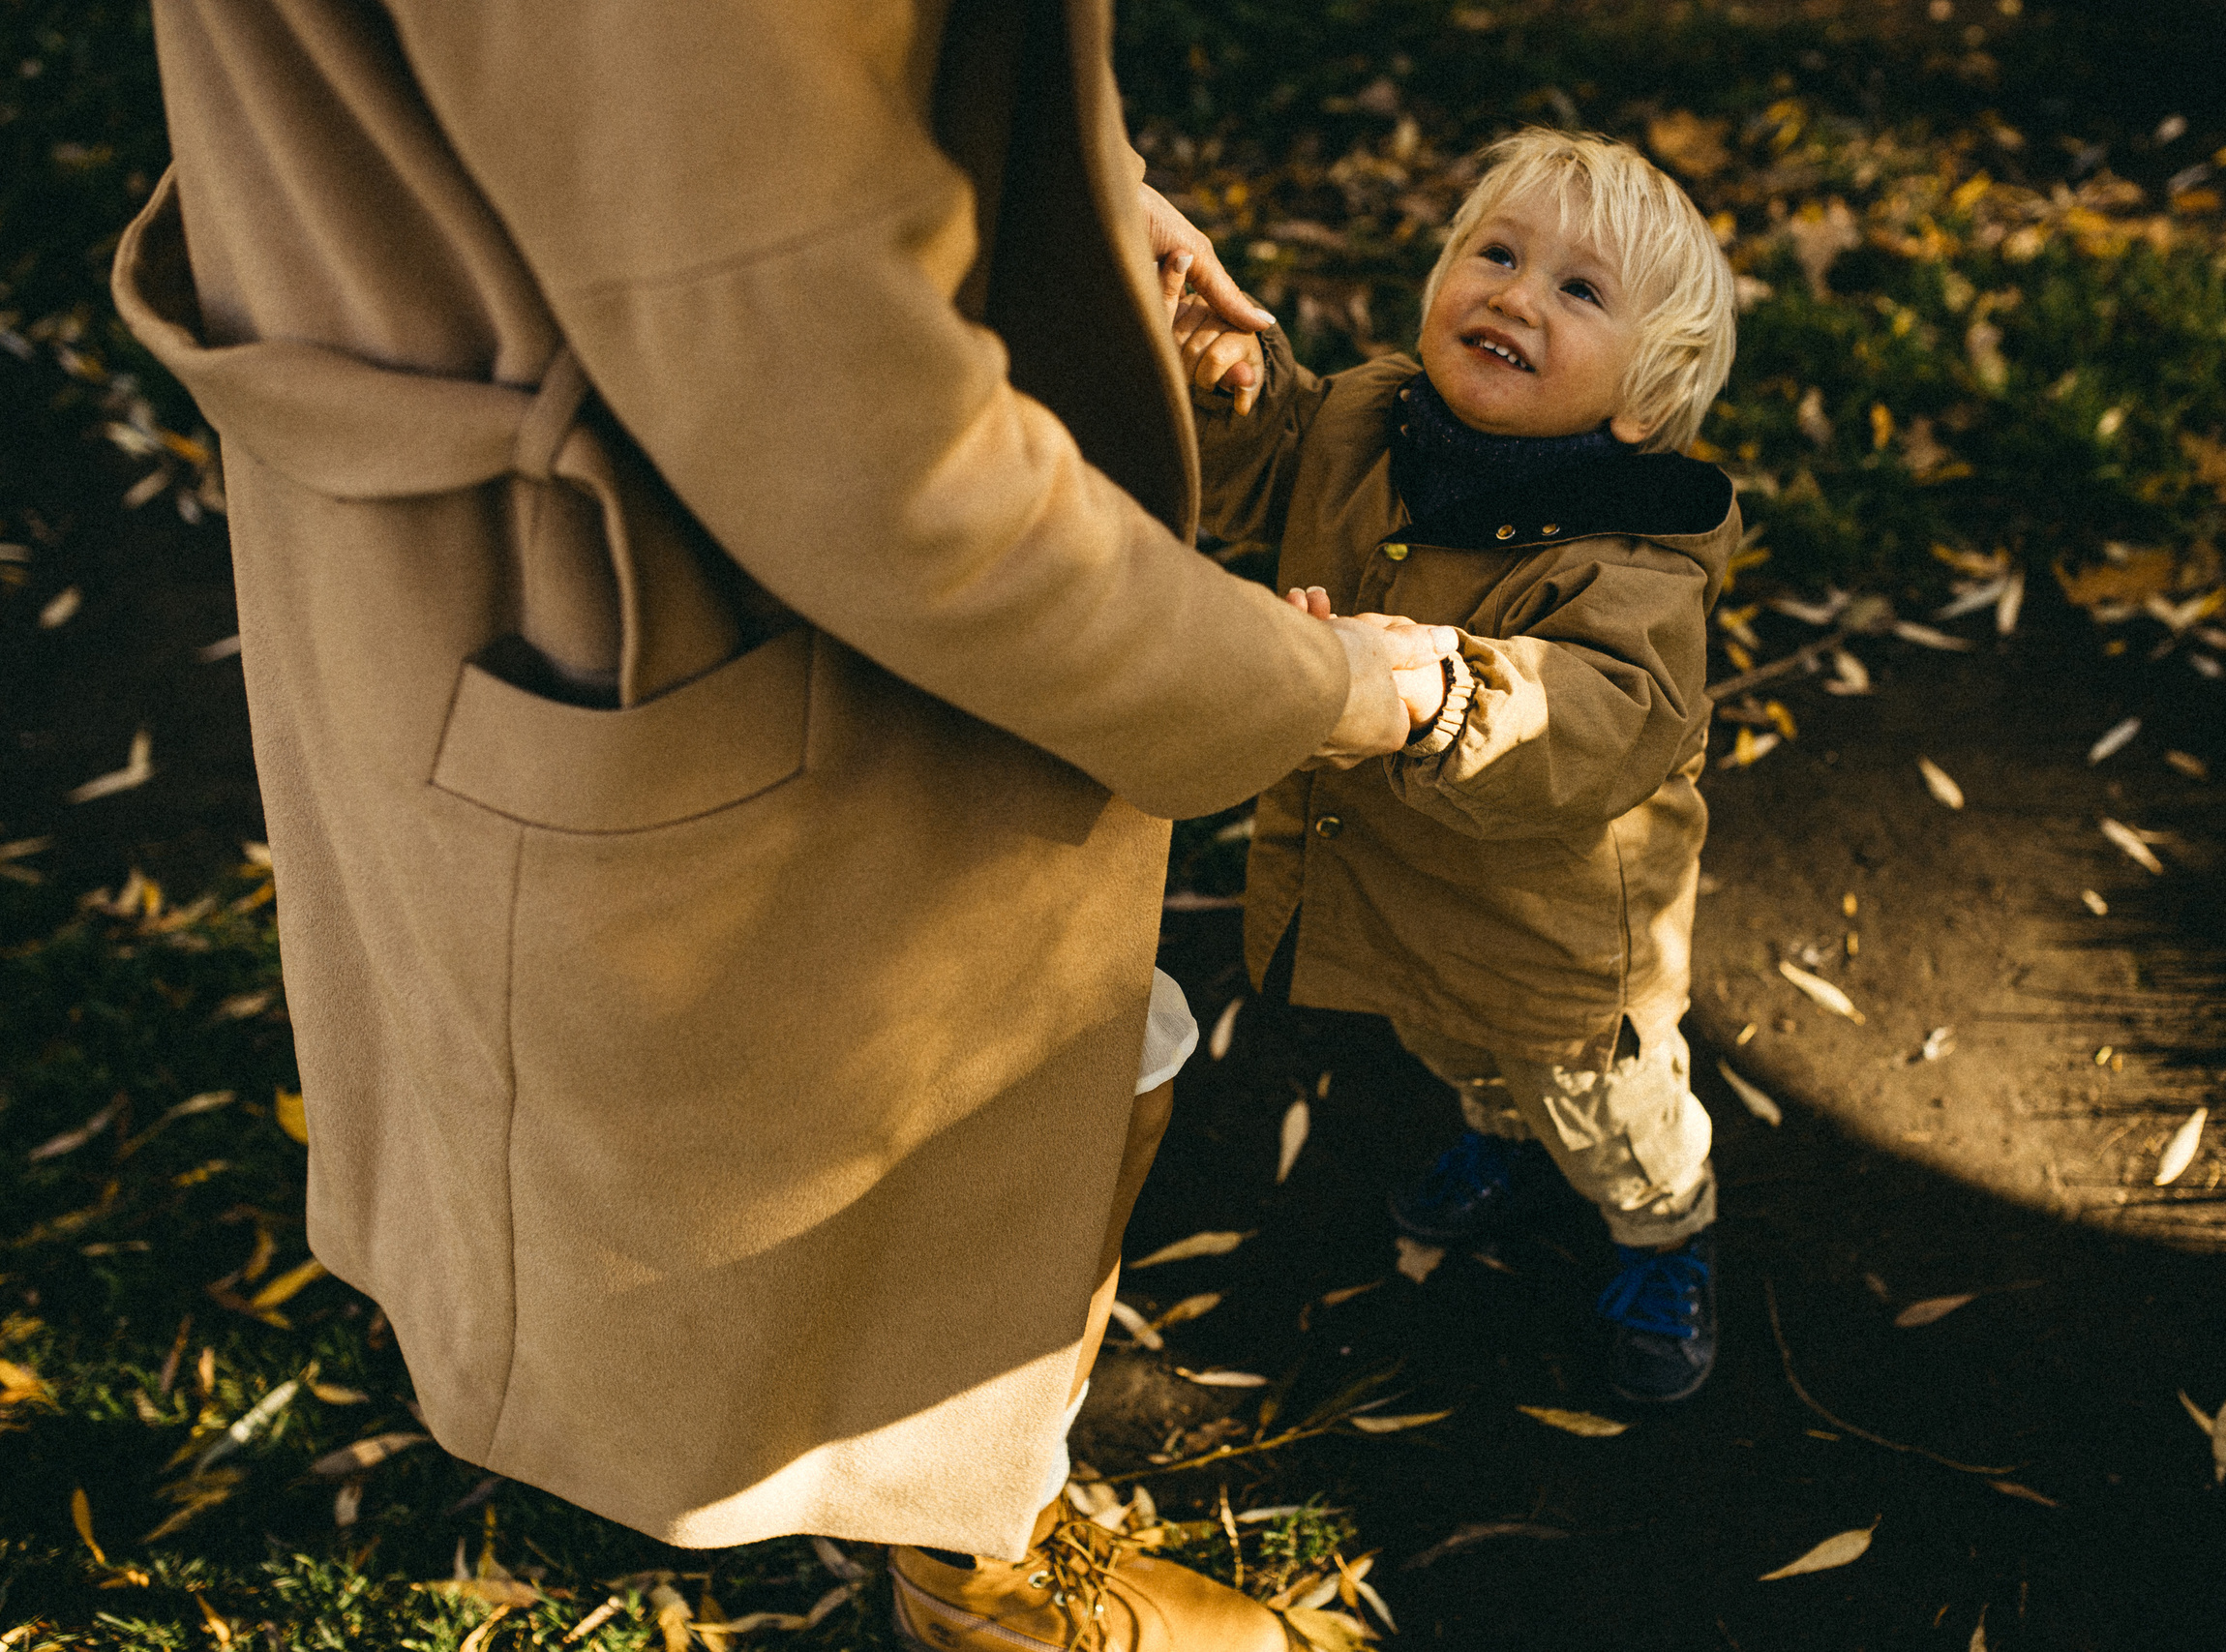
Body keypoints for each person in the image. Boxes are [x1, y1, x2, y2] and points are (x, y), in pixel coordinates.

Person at [113, 4, 1444, 1649]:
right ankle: (986, 1578)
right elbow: (871, 446)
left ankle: (975, 1533)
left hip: (553, 479)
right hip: (661, 573)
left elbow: (728, 156)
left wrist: (1053, 186)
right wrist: (1299, 685)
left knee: (1053, 1055)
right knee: (993, 1077)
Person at [1173, 128, 1742, 1405]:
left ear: (1644, 402)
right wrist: (1228, 390)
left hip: (1556, 948)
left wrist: (1436, 689)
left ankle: (1666, 1230)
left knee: (1605, 1116)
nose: (1516, 293)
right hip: (1407, 898)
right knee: (1450, 1044)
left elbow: (1602, 716)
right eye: (1496, 251)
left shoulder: (1636, 565)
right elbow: (1265, 473)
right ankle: (1500, 1135)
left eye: (1578, 290)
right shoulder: (1371, 422)